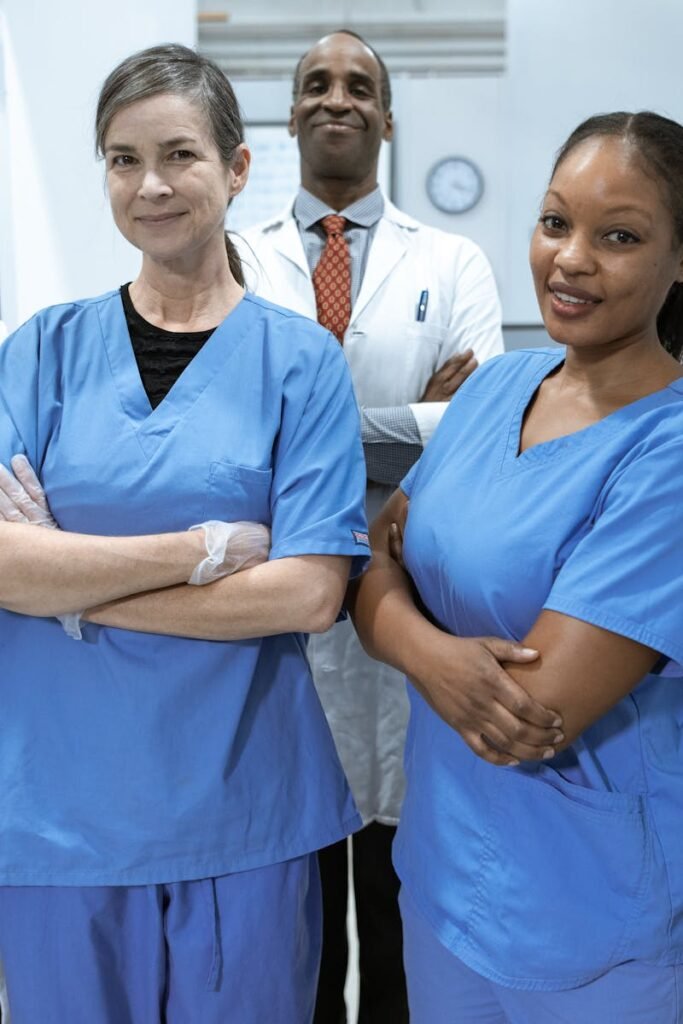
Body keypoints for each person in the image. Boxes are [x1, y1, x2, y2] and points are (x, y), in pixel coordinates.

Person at [0, 43, 371, 1024]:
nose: (150, 184)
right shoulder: (41, 351)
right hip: (58, 818)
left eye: (178, 154)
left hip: (243, 812)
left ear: (237, 168)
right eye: (122, 159)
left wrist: (69, 583)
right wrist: (204, 549)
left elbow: (306, 593)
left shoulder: (299, 364)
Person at [351, 109, 683, 1022]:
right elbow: (368, 560)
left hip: (592, 914)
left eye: (618, 236)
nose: (571, 258)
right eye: (554, 223)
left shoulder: (667, 448)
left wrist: (397, 618)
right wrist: (434, 655)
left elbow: (528, 716)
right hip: (444, 876)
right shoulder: (495, 386)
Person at [237, 29, 503, 1022]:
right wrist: (404, 427)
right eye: (316, 83)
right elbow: (225, 435)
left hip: (406, 601)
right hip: (282, 615)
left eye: (358, 86)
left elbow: (468, 430)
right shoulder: (235, 256)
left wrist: (297, 428)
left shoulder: (455, 259)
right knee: (297, 913)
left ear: (386, 119)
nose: (335, 98)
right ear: (292, 113)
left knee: (401, 902)